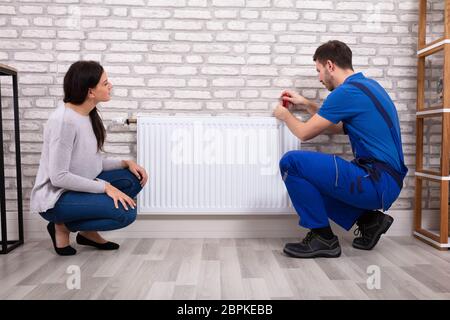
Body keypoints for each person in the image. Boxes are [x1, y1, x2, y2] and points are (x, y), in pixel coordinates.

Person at [273, 40, 408, 258]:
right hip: (386, 181)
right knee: (315, 178)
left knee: (291, 163)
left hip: (376, 180)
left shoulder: (345, 93)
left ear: (330, 65)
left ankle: (323, 238)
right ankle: (369, 221)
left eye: (318, 71)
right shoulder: (367, 86)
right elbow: (339, 127)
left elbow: (304, 133)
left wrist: (285, 115)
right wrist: (307, 104)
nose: (318, 78)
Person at [30, 61, 148, 256]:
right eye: (105, 83)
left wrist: (126, 162)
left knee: (132, 178)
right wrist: (106, 187)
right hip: (57, 198)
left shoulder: (88, 115)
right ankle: (62, 227)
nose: (110, 86)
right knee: (126, 213)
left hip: (77, 187)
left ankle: (87, 234)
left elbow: (91, 163)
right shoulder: (63, 123)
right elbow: (59, 177)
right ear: (90, 92)